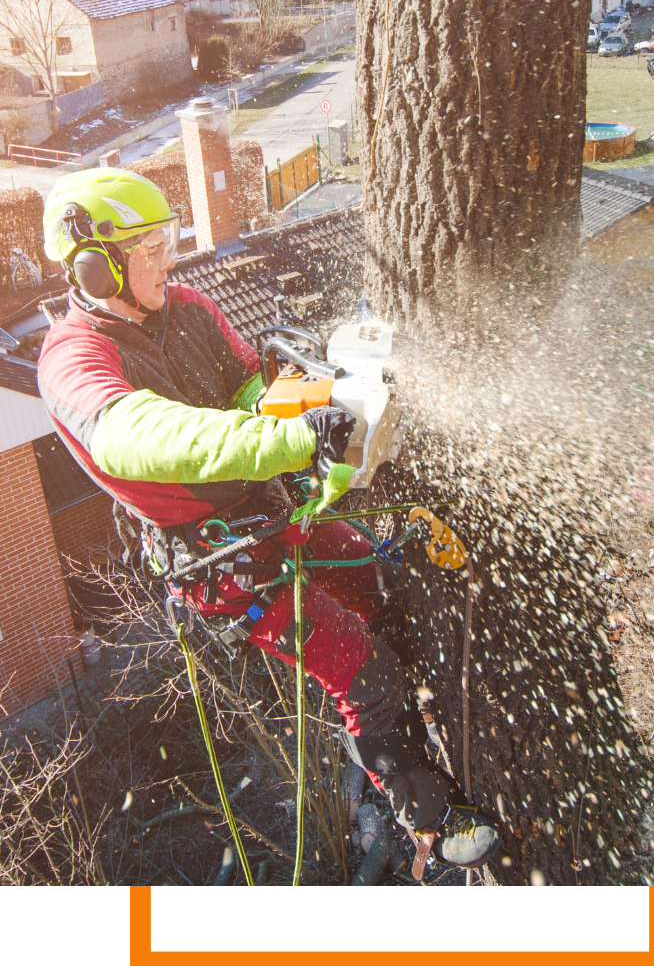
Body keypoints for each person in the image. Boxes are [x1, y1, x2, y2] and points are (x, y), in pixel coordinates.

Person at [37, 168, 501, 873]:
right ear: (97, 268)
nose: (168, 257)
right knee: (356, 663)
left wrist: (332, 397)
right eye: (150, 245)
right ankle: (434, 819)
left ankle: (419, 713)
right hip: (222, 562)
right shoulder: (74, 359)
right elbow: (144, 435)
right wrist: (290, 438)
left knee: (375, 583)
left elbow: (253, 383)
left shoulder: (187, 307)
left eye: (168, 239)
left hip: (273, 513)